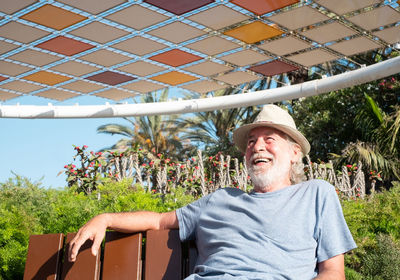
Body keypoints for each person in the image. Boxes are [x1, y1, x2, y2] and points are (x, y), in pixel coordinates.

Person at [68, 104, 356, 279]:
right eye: (251, 142)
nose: (257, 147)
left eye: (269, 139)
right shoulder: (220, 200)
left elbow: (332, 273)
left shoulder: (317, 195)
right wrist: (105, 218)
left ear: (295, 153)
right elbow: (158, 221)